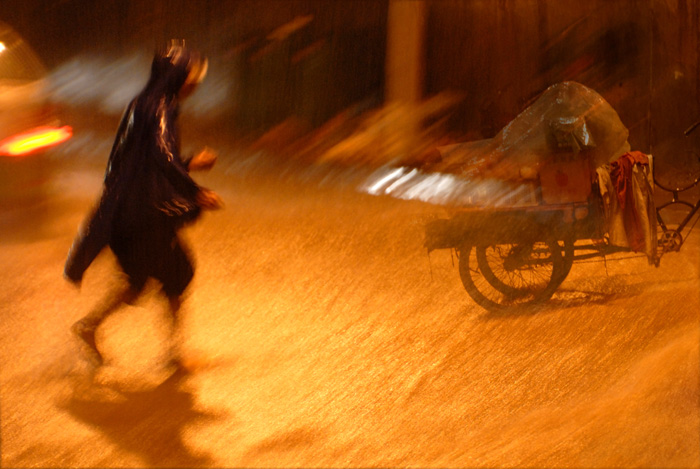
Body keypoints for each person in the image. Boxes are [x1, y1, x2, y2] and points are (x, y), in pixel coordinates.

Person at [64, 41, 223, 370]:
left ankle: (90, 327)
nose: (195, 84)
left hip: (126, 216)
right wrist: (194, 191)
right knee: (179, 273)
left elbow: (145, 161)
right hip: (144, 216)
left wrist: (190, 162)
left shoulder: (143, 103)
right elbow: (163, 158)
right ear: (177, 76)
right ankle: (174, 356)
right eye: (191, 77)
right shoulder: (161, 107)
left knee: (139, 281)